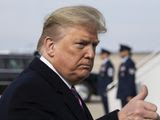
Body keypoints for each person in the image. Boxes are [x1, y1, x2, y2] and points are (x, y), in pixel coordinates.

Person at [0, 5, 159, 120]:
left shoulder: (57, 85)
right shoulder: (28, 93)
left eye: (94, 45)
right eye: (81, 44)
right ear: (51, 46)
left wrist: (120, 117)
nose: (90, 54)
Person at [97, 48, 114, 114]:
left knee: (108, 108)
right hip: (102, 89)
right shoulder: (103, 64)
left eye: (102, 54)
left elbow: (109, 79)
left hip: (106, 90)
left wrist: (107, 90)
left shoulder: (109, 65)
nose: (100, 56)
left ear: (106, 55)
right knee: (105, 108)